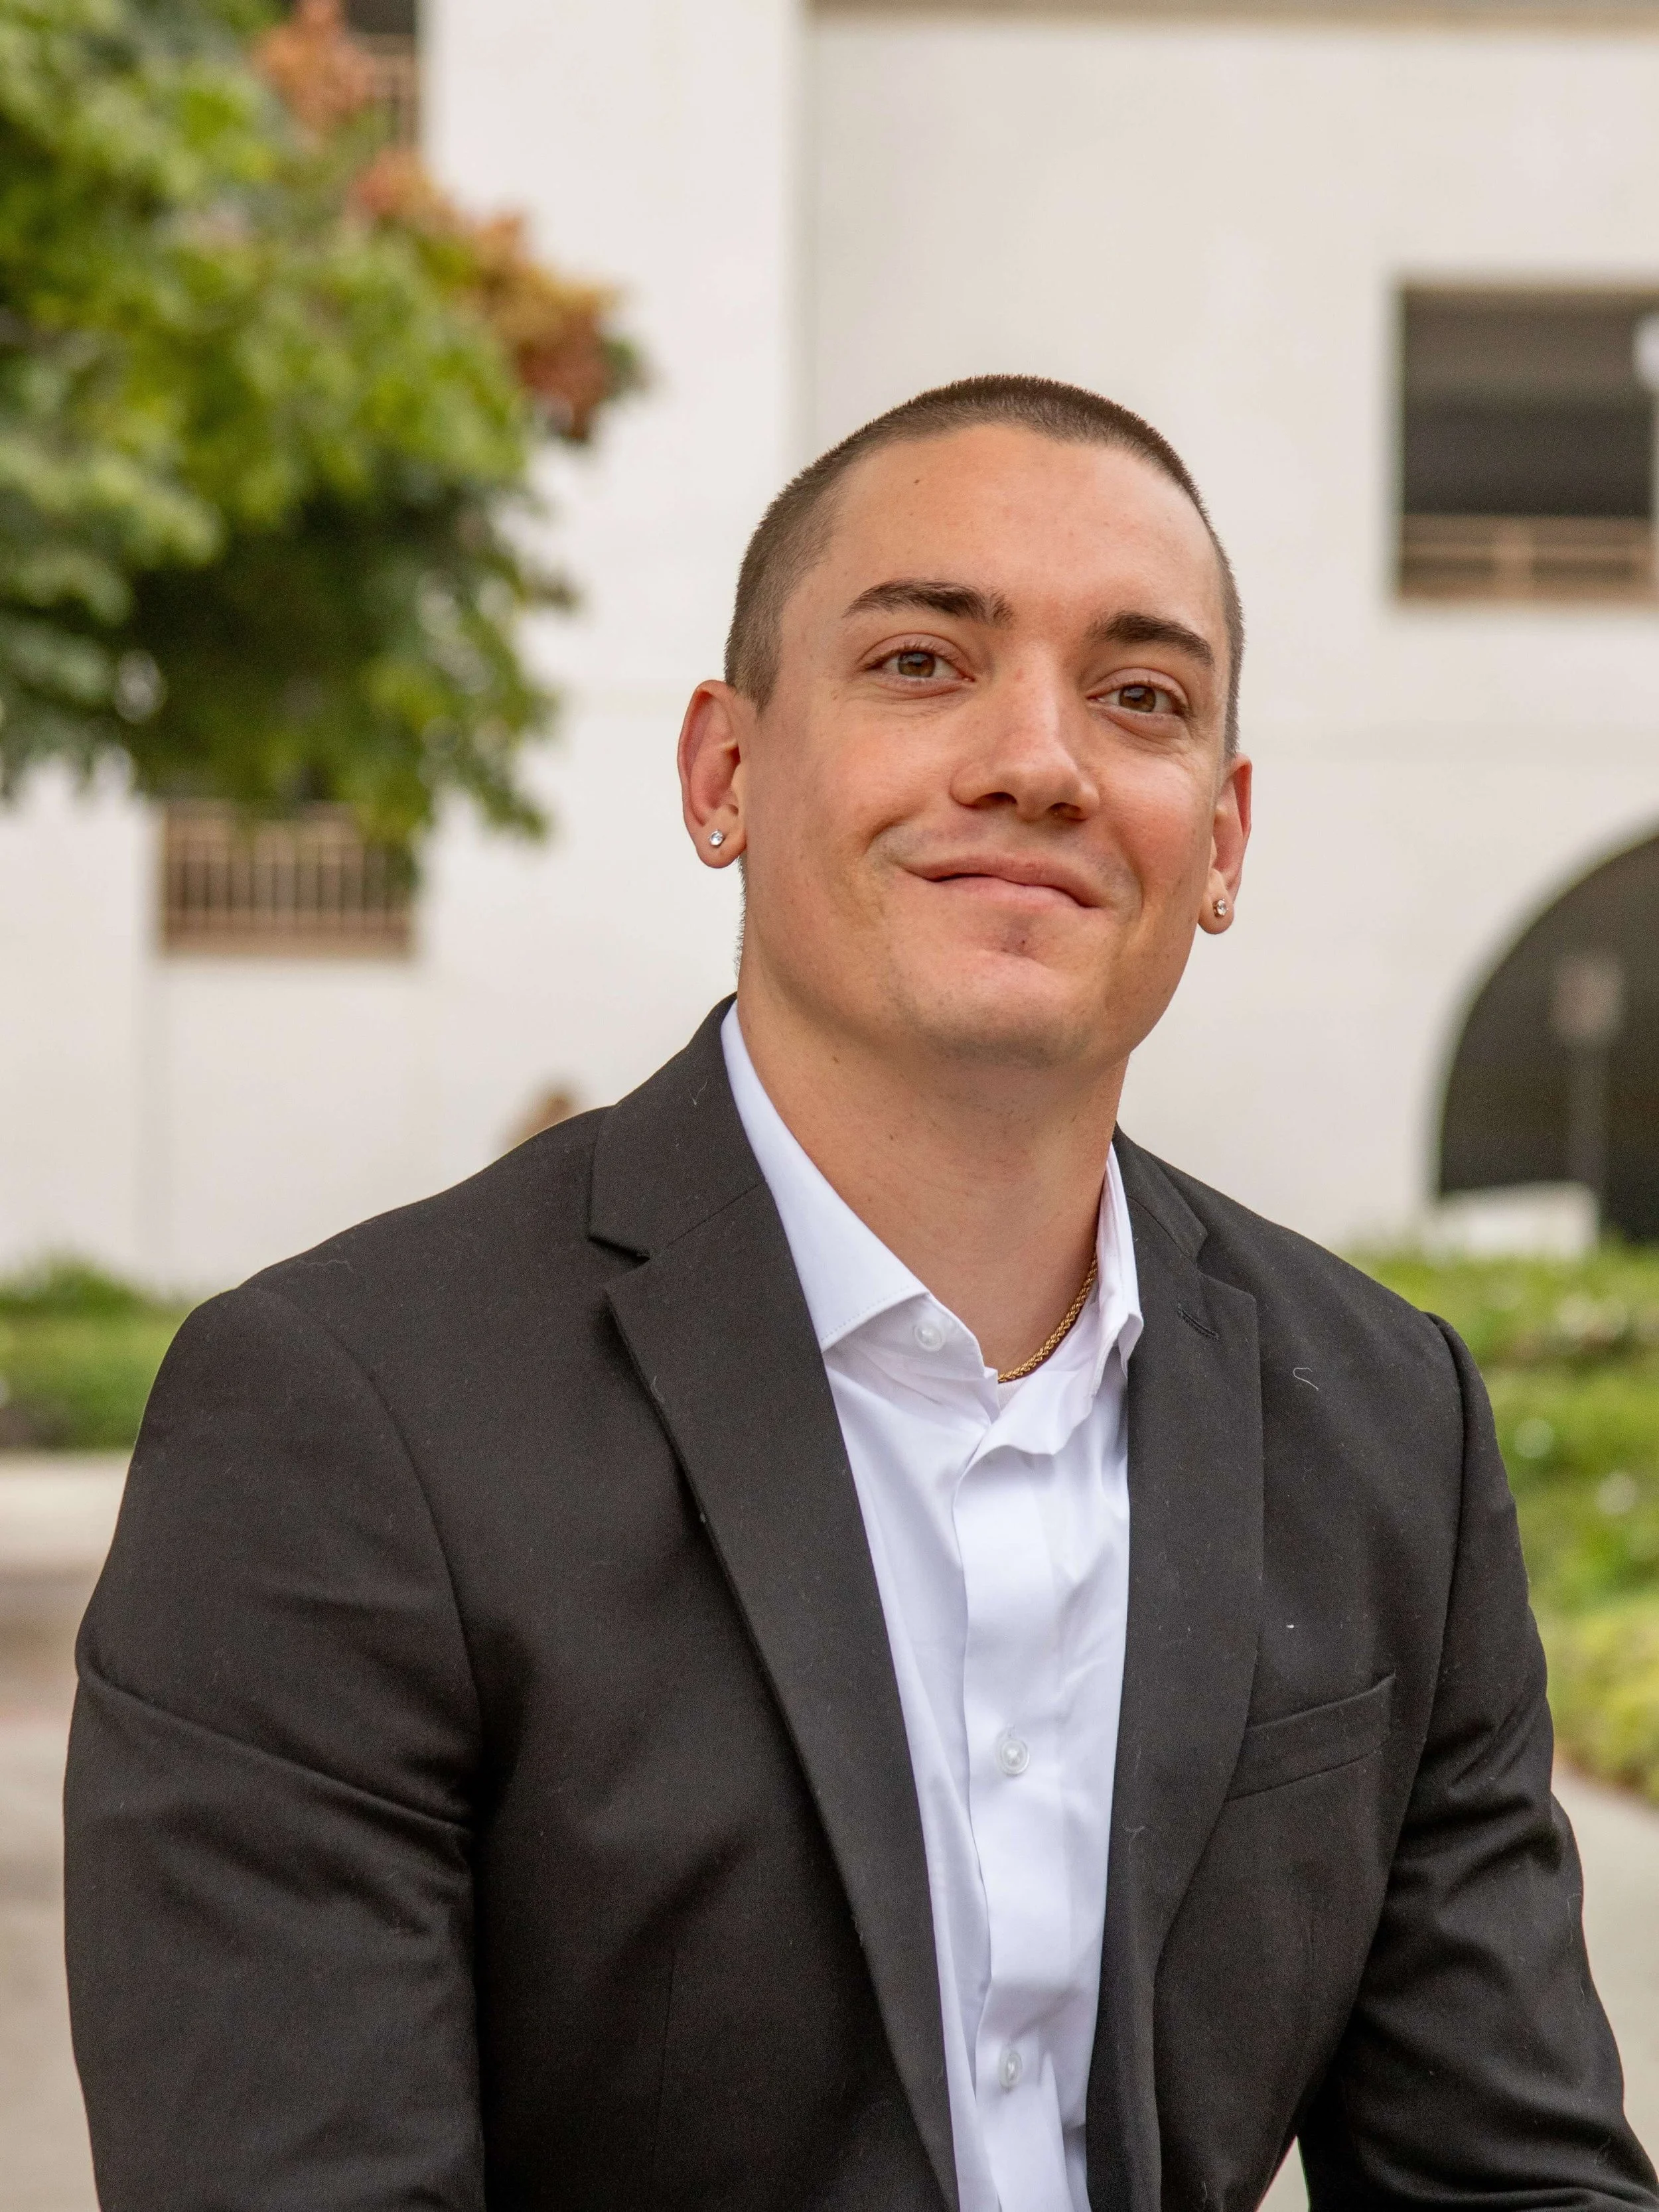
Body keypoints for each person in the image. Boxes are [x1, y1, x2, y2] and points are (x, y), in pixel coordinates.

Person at [65, 376, 1656, 2212]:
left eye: (1136, 698)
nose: (1037, 760)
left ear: (1217, 841)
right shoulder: (343, 1415)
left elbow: (1509, 2173)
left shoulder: (1384, 1418)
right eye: (921, 663)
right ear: (721, 773)